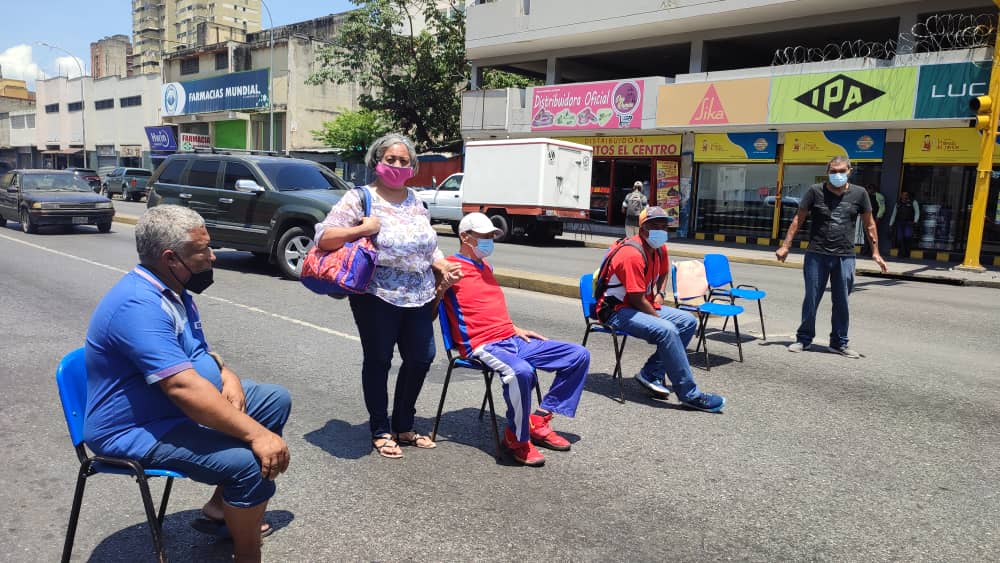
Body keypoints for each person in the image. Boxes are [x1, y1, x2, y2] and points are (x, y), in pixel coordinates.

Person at [84, 205, 291, 563]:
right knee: (246, 461)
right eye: (202, 250)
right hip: (135, 427)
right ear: (170, 258)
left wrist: (229, 377)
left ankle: (221, 508)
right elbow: (181, 388)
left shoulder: (174, 293)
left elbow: (202, 355)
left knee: (273, 400)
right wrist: (257, 435)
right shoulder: (138, 306)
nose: (212, 257)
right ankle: (247, 554)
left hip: (173, 407)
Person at [314, 133, 462, 459]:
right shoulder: (360, 198)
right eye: (390, 159)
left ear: (412, 166)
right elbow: (324, 237)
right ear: (376, 163)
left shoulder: (416, 200)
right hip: (375, 295)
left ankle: (404, 425)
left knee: (421, 358)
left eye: (403, 161)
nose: (396, 165)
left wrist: (442, 263)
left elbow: (429, 244)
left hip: (420, 294)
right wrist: (362, 229)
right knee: (380, 361)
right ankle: (380, 428)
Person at [438, 213, 591, 467]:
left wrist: (514, 327)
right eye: (484, 237)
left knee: (578, 355)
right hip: (482, 345)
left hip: (510, 337)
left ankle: (538, 419)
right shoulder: (449, 266)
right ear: (465, 237)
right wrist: (441, 285)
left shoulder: (486, 267)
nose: (489, 241)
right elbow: (431, 306)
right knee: (521, 371)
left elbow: (486, 306)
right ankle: (516, 440)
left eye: (491, 237)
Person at [598, 206, 726, 413]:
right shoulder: (631, 254)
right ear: (642, 228)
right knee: (667, 330)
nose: (660, 229)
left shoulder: (659, 248)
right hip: (616, 311)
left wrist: (660, 293)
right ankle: (689, 394)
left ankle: (651, 372)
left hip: (639, 304)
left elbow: (664, 272)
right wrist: (658, 317)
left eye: (663, 225)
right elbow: (636, 298)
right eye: (654, 225)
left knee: (688, 321)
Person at [776, 156, 888, 359]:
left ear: (850, 171)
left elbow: (869, 224)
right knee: (811, 299)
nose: (837, 175)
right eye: (833, 171)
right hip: (816, 255)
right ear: (828, 171)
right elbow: (798, 219)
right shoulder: (814, 191)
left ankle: (839, 343)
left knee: (842, 301)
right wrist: (785, 246)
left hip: (845, 256)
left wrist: (876, 252)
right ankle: (804, 338)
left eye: (841, 171)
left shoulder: (860, 193)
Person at [889, 191, 920, 258]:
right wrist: (890, 224)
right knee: (900, 238)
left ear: (908, 196)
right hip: (900, 223)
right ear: (901, 195)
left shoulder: (913, 202)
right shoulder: (898, 203)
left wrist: (915, 221)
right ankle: (901, 253)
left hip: (909, 223)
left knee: (907, 237)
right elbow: (894, 214)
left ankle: (906, 253)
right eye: (903, 195)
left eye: (906, 195)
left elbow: (917, 212)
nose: (904, 196)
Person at [862, 183, 885, 256]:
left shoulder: (879, 196)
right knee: (866, 234)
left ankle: (871, 251)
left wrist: (878, 217)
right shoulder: (866, 196)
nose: (868, 191)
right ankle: (866, 250)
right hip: (866, 217)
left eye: (870, 189)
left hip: (874, 217)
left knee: (872, 235)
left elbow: (882, 208)